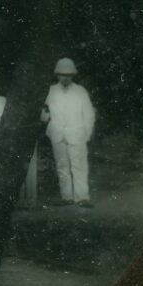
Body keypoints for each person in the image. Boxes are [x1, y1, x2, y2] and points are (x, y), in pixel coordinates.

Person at [41, 58, 95, 206]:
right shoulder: (50, 91)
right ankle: (67, 197)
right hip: (58, 134)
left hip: (77, 134)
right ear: (57, 75)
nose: (65, 77)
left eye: (68, 75)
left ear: (73, 75)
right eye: (62, 74)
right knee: (62, 166)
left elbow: (89, 114)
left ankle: (82, 197)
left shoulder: (80, 91)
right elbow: (44, 116)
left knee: (79, 165)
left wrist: (86, 133)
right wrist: (45, 113)